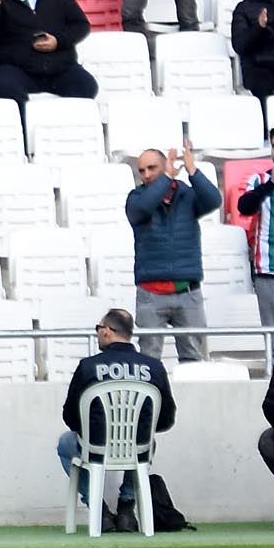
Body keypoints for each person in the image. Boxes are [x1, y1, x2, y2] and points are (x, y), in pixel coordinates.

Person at [55, 308, 176, 499]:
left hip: (95, 447)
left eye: (98, 328)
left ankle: (96, 505)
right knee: (147, 442)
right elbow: (166, 419)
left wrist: (92, 432)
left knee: (65, 443)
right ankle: (127, 502)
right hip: (137, 448)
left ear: (106, 331)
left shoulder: (88, 367)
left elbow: (70, 416)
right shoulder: (155, 367)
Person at [124, 144, 220, 365]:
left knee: (194, 359)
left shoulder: (187, 195)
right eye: (142, 170)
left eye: (152, 168)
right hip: (150, 293)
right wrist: (167, 177)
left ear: (165, 165)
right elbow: (143, 208)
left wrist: (193, 171)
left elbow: (214, 200)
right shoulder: (136, 198)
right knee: (148, 361)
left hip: (188, 290)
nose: (146, 175)